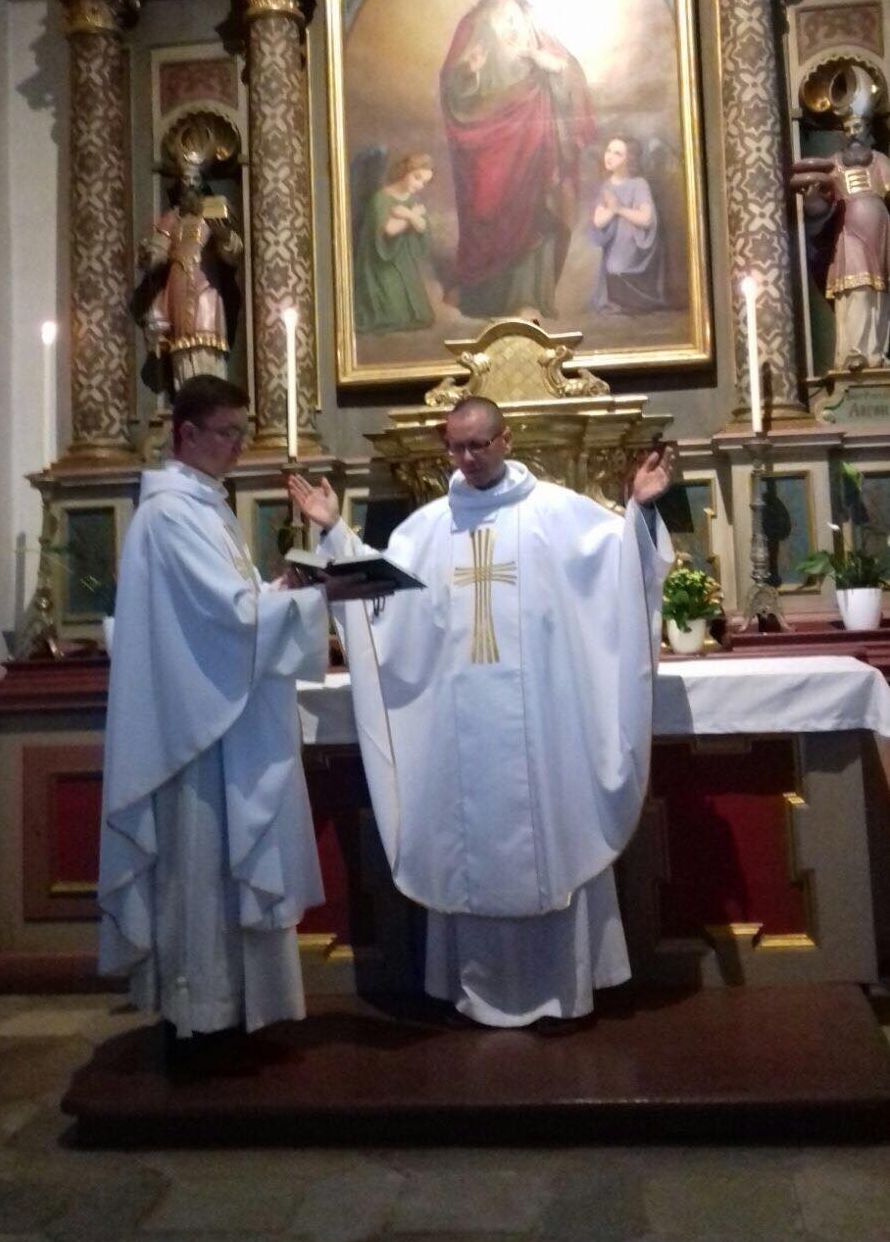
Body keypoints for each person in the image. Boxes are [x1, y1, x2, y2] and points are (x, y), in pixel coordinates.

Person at [288, 397, 672, 1029]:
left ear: (506, 440)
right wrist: (333, 533)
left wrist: (644, 509)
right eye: (455, 447)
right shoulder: (426, 529)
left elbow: (622, 571)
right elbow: (379, 601)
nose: (465, 459)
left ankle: (564, 988)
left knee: (550, 839)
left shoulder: (560, 514)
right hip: (457, 734)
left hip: (545, 728)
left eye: (478, 445)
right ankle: (473, 990)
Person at [98, 376, 331, 1056]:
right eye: (226, 433)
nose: (237, 446)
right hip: (195, 736)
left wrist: (281, 590)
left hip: (219, 718)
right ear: (187, 434)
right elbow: (231, 621)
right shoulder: (171, 514)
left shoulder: (205, 507)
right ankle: (200, 1021)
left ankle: (232, 1016)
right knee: (200, 874)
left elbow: (233, 606)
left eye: (241, 432)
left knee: (219, 875)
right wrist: (307, 598)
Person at [440, 0, 595, 320]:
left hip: (532, 120)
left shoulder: (532, 18)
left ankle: (527, 297)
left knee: (534, 201)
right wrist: (468, 70)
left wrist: (547, 62)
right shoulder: (472, 24)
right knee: (486, 205)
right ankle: (482, 296)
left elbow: (566, 67)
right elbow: (451, 85)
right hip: (487, 130)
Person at [791, 136, 890, 369]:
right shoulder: (833, 163)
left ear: (870, 136)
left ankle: (876, 353)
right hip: (848, 233)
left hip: (880, 235)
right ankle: (855, 351)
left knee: (879, 291)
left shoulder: (880, 160)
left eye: (860, 126)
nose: (855, 133)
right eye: (850, 127)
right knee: (857, 286)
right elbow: (820, 210)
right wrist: (813, 199)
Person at [139, 177, 243, 388]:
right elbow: (158, 251)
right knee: (181, 346)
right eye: (185, 187)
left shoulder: (213, 213)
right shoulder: (172, 219)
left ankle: (212, 393)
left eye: (194, 185)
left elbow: (233, 252)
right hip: (178, 287)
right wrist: (148, 255)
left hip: (206, 286)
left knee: (207, 339)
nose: (188, 192)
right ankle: (186, 393)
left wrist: (223, 235)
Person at [354, 153, 436, 334]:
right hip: (380, 262)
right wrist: (413, 216)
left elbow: (422, 226)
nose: (419, 185)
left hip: (403, 260)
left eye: (424, 182)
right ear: (405, 171)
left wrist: (408, 215)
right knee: (393, 315)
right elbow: (390, 230)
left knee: (421, 315)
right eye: (417, 178)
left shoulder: (412, 200)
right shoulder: (381, 198)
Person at [589, 136, 666, 314]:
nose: (609, 156)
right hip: (616, 246)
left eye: (617, 153)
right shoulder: (606, 186)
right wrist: (612, 210)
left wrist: (619, 209)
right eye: (608, 151)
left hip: (636, 246)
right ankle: (619, 297)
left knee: (617, 266)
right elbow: (598, 221)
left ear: (629, 159)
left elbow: (646, 219)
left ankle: (632, 298)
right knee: (613, 267)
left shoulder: (638, 184)